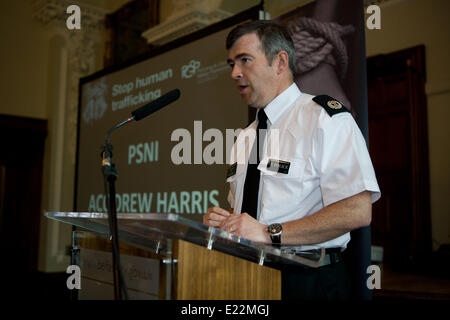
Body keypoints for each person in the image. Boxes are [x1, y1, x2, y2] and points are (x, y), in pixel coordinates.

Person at [202, 20, 380, 300]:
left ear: (280, 62)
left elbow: (357, 210)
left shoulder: (324, 118)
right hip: (247, 277)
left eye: (244, 60)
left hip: (309, 281)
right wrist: (226, 224)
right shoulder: (245, 137)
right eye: (231, 64)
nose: (235, 73)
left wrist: (269, 233)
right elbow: (254, 213)